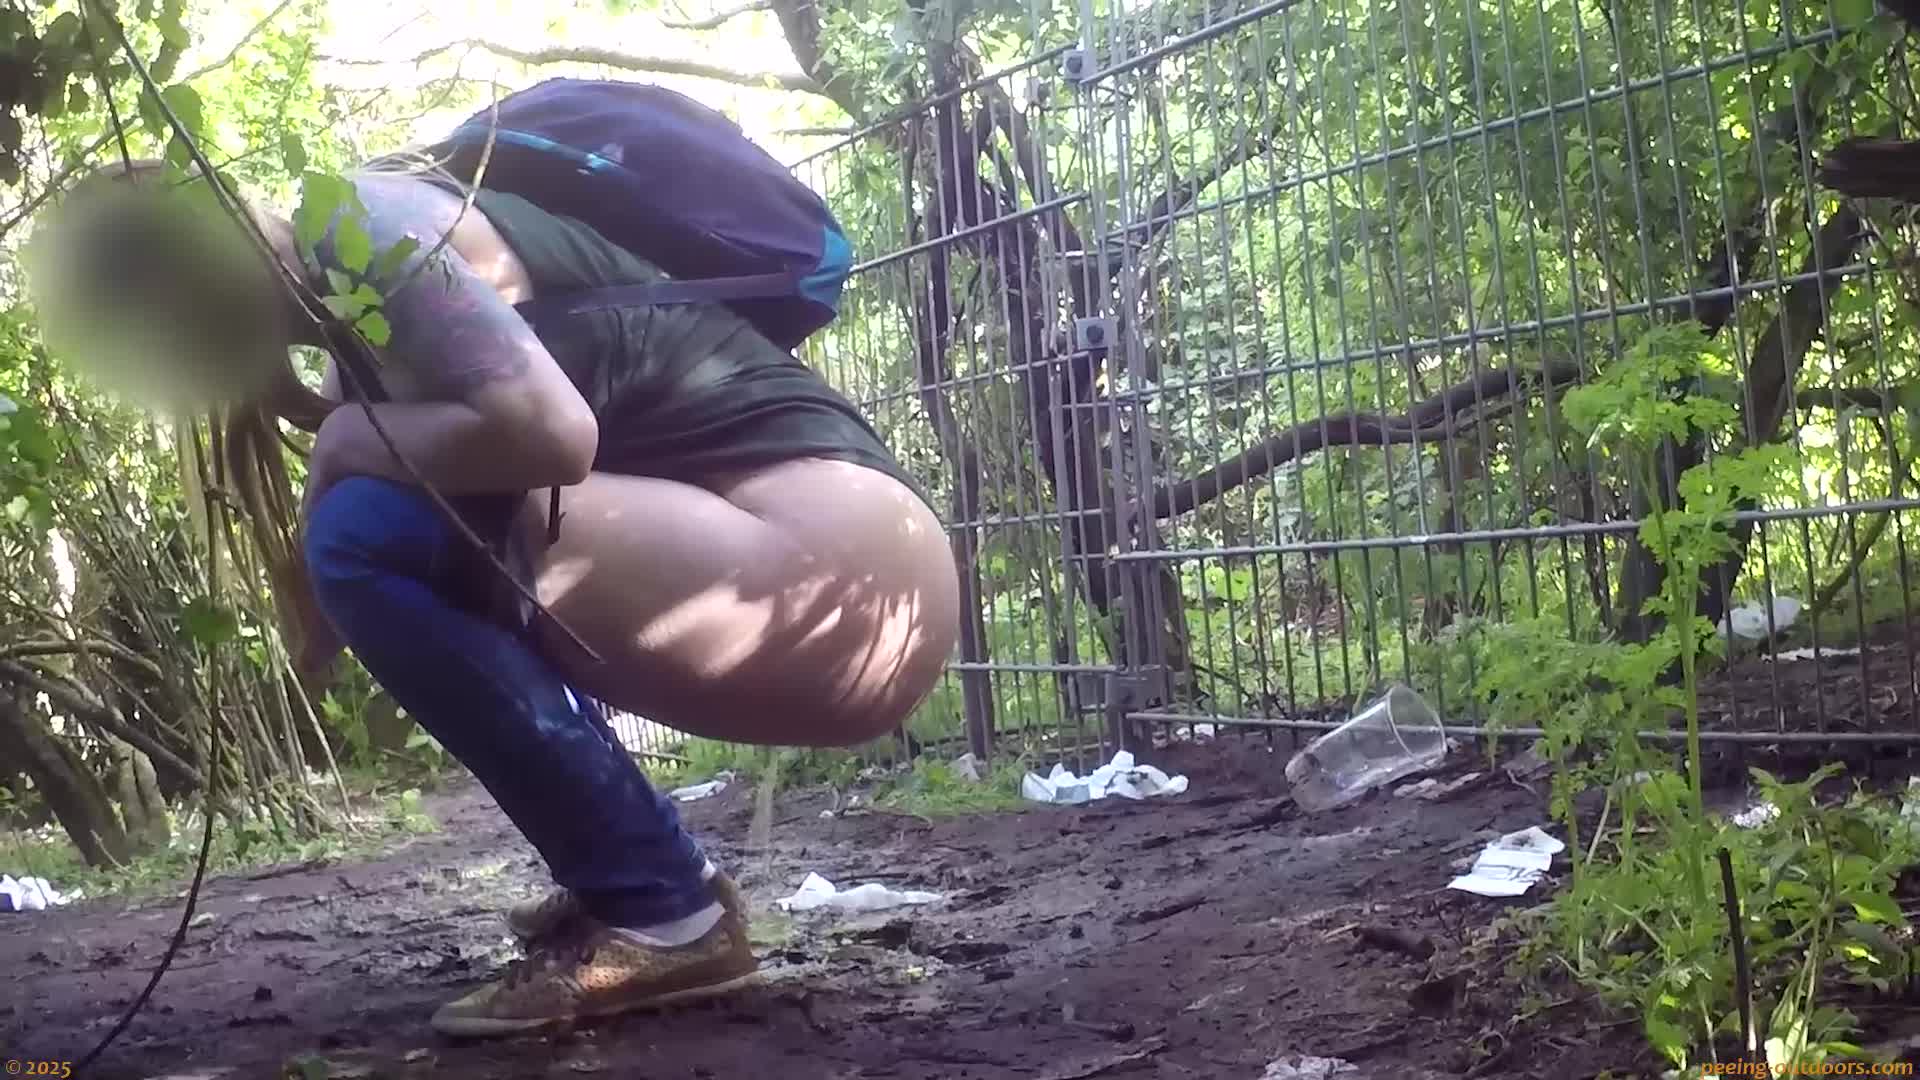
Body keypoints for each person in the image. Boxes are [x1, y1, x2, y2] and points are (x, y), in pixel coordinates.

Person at [28, 158, 962, 1036]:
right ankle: (644, 877)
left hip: (838, 581)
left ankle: (663, 910)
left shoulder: (368, 230)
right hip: (804, 582)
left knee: (368, 531)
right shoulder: (347, 294)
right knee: (385, 521)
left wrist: (343, 443)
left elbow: (554, 436)